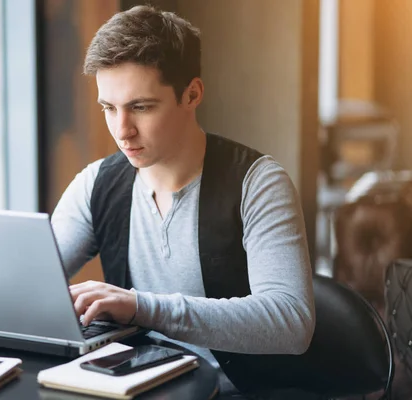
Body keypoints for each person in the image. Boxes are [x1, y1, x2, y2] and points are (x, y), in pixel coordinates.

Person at [51, 5, 315, 394]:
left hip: (236, 391)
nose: (122, 130)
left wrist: (143, 307)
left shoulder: (257, 184)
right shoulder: (96, 184)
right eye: (109, 108)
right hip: (131, 387)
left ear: (192, 94)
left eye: (141, 107)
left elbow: (291, 323)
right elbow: (31, 284)